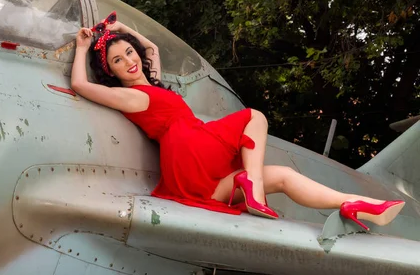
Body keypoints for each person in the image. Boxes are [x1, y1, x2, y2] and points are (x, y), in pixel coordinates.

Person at [70, 12, 405, 231]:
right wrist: (84, 47)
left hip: (197, 177)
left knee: (285, 177)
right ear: (110, 71)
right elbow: (81, 86)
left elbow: (152, 48)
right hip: (190, 154)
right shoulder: (130, 95)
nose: (129, 60)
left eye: (129, 53)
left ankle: (360, 205)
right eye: (117, 60)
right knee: (254, 116)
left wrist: (118, 30)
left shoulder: (150, 83)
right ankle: (254, 189)